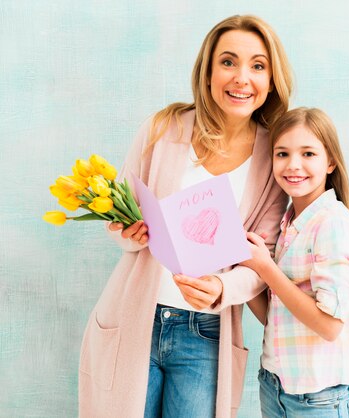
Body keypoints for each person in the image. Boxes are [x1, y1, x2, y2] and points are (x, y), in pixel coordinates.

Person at [78, 15, 293, 418]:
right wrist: (131, 232)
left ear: (271, 78)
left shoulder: (274, 157)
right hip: (135, 317)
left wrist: (221, 287)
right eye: (228, 62)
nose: (241, 78)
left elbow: (259, 262)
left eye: (257, 65)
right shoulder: (162, 129)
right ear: (208, 70)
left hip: (206, 334)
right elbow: (116, 220)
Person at [240, 107, 349, 418]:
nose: (293, 165)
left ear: (330, 161)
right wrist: (245, 266)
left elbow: (329, 325)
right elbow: (277, 316)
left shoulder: (332, 223)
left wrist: (266, 269)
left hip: (317, 398)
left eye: (308, 154)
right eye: (282, 154)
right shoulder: (288, 225)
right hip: (275, 385)